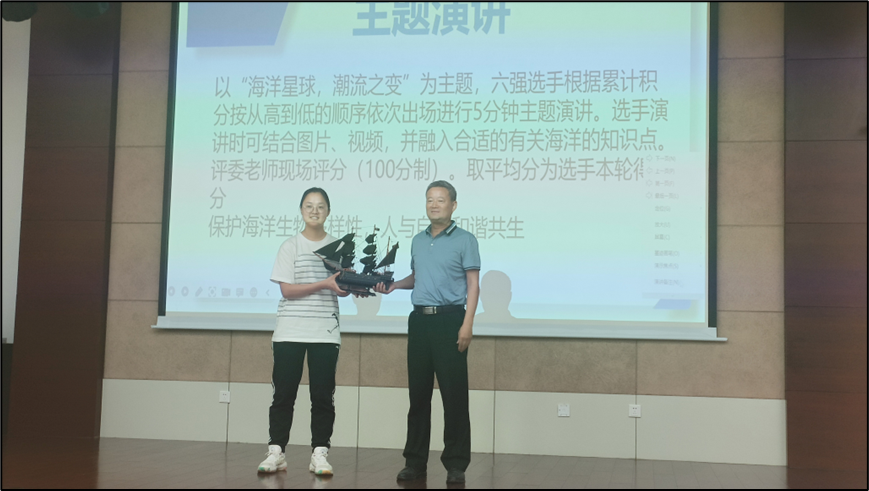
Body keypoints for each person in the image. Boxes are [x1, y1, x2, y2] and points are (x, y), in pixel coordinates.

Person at [375, 180, 481, 485]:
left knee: (453, 396)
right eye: (430, 200)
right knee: (418, 396)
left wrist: (467, 324)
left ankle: (456, 464)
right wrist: (395, 285)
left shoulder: (465, 240)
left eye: (441, 200)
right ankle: (415, 462)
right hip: (420, 322)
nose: (434, 205)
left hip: (451, 321)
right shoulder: (418, 241)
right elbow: (418, 276)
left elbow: (473, 284)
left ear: (453, 205)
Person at [258, 187, 350, 476]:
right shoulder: (290, 246)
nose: (314, 211)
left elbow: (343, 288)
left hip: (325, 331)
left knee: (322, 396)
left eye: (320, 206)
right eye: (309, 206)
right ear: (301, 210)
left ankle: (319, 453)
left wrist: (352, 287)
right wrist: (325, 284)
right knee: (283, 395)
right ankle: (276, 451)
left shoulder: (339, 247)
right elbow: (287, 290)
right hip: (290, 331)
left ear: (328, 211)